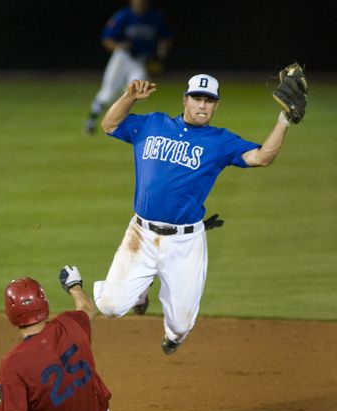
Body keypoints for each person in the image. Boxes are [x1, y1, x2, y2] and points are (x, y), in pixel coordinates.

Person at [93, 68, 307, 355]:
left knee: (181, 325)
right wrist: (128, 97)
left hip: (185, 243)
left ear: (216, 106)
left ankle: (173, 336)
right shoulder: (153, 124)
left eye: (209, 100)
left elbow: (262, 157)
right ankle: (140, 290)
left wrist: (284, 120)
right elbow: (109, 125)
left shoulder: (220, 141)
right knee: (110, 306)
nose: (202, 105)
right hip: (140, 236)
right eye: (197, 98)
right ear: (185, 100)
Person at [0, 265, 111, 411]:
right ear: (43, 302)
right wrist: (73, 285)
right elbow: (87, 308)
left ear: (10, 314)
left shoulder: (14, 363)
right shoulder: (70, 323)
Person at [84, 0, 172, 135]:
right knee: (108, 93)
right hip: (122, 58)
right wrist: (119, 46)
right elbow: (107, 39)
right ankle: (91, 121)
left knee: (137, 91)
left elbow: (165, 39)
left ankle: (123, 123)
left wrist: (160, 57)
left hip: (140, 60)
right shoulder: (123, 16)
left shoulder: (155, 17)